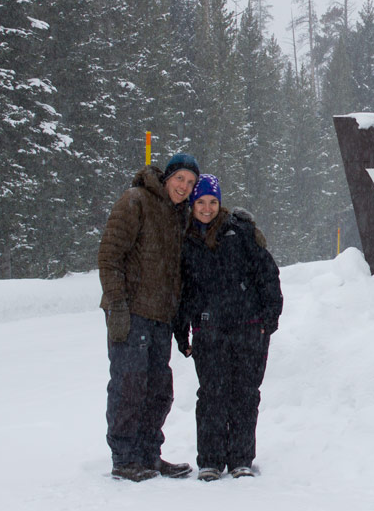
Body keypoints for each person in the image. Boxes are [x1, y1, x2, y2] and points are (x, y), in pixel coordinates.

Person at [97, 152, 201, 482]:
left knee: (159, 389)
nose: (184, 186)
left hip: (161, 317)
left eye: (190, 182)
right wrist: (118, 306)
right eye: (179, 178)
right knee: (129, 386)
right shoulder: (136, 200)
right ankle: (125, 458)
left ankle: (149, 454)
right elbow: (109, 256)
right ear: (166, 177)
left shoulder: (181, 215)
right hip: (131, 311)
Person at [174, 174, 283, 481]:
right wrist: (182, 331)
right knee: (211, 395)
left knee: (245, 395)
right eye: (200, 202)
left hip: (248, 329)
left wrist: (268, 320)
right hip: (208, 331)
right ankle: (210, 460)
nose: (206, 208)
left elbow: (267, 275)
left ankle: (240, 459)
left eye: (212, 202)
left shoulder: (240, 232)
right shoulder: (186, 240)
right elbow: (183, 291)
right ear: (192, 205)